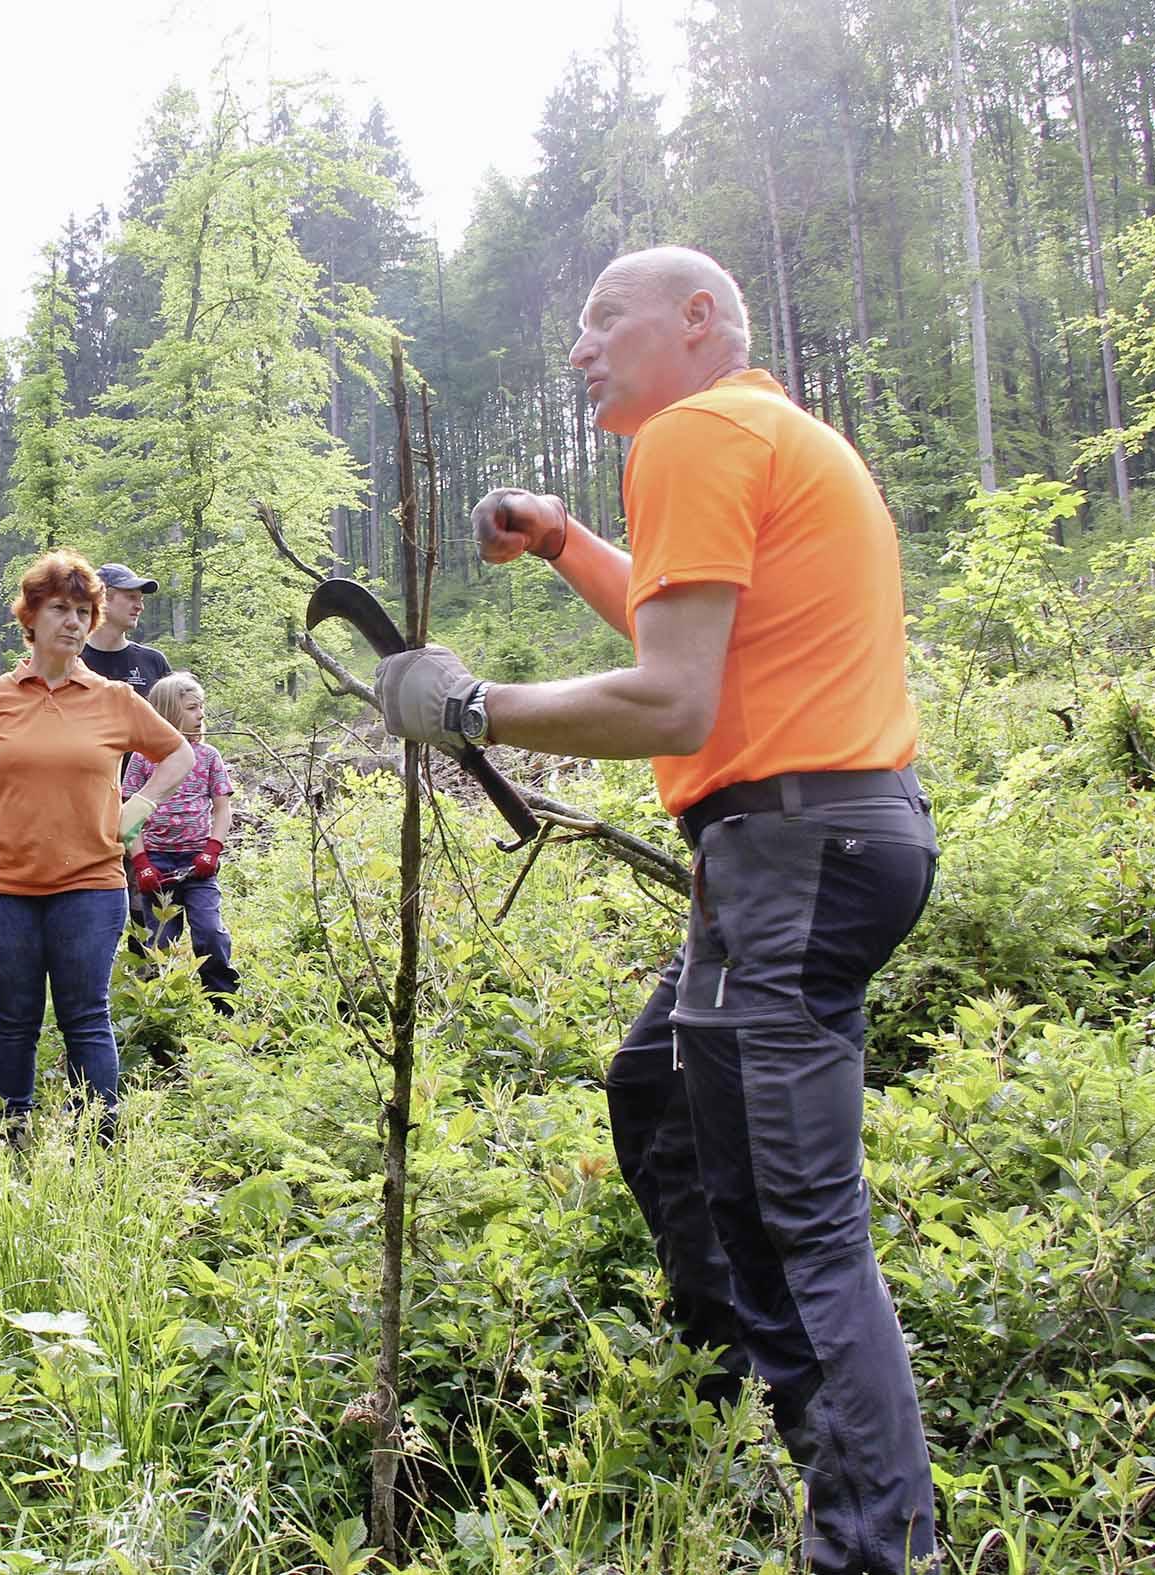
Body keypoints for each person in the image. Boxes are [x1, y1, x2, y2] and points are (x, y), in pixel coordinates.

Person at [371, 246, 937, 1575]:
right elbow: (688, 629)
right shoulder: (756, 431)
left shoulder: (693, 429)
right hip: (812, 842)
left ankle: (869, 1545)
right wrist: (566, 540)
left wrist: (463, 708)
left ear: (695, 323)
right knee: (660, 1089)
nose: (579, 351)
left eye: (600, 320)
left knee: (797, 1226)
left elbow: (671, 699)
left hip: (790, 846)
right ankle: (732, 1381)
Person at [0, 550, 194, 1131]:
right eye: (59, 608)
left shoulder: (114, 699)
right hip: (2, 886)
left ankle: (99, 1137)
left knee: (85, 1015)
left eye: (83, 610)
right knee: (14, 1016)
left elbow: (179, 752)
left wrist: (142, 803)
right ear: (30, 618)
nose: (73, 621)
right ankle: (9, 1134)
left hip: (90, 885)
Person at [121, 672, 240, 1005]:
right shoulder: (143, 759)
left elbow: (222, 808)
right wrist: (140, 862)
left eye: (201, 706)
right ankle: (159, 1006)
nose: (201, 714)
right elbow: (130, 814)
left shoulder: (208, 757)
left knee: (210, 932)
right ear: (169, 712)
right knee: (159, 941)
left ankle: (221, 999)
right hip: (156, 865)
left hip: (197, 864)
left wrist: (212, 851)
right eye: (192, 707)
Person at [78, 563, 172, 699]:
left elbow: (174, 716)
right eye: (131, 597)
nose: (140, 607)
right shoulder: (72, 660)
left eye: (141, 599)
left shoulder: (154, 662)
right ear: (103, 599)